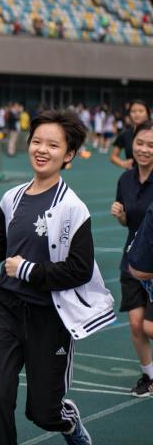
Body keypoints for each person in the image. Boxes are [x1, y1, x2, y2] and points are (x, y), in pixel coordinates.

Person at [0, 109, 115, 445]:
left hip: (50, 318)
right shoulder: (11, 198)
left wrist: (27, 270)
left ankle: (68, 422)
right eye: (36, 141)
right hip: (7, 307)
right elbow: (2, 243)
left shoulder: (74, 208)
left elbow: (79, 269)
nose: (41, 149)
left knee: (43, 412)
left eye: (53, 144)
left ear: (69, 155)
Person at [110, 120, 153, 396]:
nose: (144, 149)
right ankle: (149, 377)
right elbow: (130, 223)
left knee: (150, 325)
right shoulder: (125, 178)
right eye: (140, 143)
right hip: (131, 260)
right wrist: (122, 216)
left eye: (151, 145)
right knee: (136, 325)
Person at [110, 100, 150, 169]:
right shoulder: (125, 134)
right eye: (133, 111)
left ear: (147, 113)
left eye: (141, 111)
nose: (137, 114)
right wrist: (122, 163)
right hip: (133, 175)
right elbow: (113, 156)